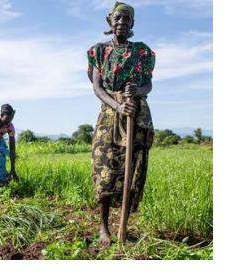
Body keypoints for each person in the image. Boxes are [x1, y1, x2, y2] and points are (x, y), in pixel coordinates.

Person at [87, 2, 155, 247]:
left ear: (132, 24)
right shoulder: (99, 51)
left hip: (136, 114)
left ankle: (123, 227)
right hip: (110, 114)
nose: (122, 23)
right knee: (104, 167)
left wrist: (137, 90)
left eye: (127, 19)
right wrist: (117, 105)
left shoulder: (142, 52)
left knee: (131, 170)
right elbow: (97, 87)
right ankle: (104, 227)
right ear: (109, 21)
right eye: (118, 18)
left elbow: (148, 85)